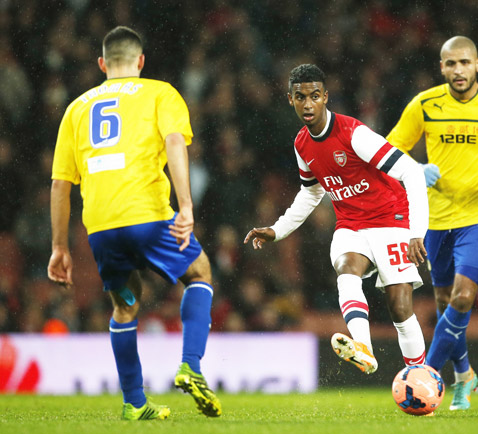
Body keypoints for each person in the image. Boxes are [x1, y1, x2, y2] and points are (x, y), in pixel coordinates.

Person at [47, 26, 221, 420]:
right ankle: (191, 366)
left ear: (101, 64)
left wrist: (59, 247)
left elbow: (60, 184)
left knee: (125, 306)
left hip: (101, 227)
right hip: (147, 215)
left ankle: (134, 403)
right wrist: (186, 206)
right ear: (141, 61)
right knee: (199, 272)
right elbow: (175, 143)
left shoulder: (76, 108)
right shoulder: (160, 92)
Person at [244, 64, 430, 377]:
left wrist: (416, 232)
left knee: (399, 308)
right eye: (300, 97)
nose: (308, 104)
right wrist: (277, 230)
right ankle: (364, 348)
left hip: (391, 218)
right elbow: (310, 193)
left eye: (315, 96)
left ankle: (420, 376)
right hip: (351, 225)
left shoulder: (354, 134)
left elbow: (411, 171)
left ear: (326, 97)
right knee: (346, 266)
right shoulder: (302, 144)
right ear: (290, 99)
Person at [386, 36, 478, 410]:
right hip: (436, 215)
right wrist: (416, 169)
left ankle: (426, 375)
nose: (458, 70)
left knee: (464, 296)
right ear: (442, 67)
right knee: (444, 302)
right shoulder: (425, 104)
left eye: (465, 63)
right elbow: (390, 147)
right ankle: (465, 375)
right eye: (451, 63)